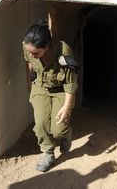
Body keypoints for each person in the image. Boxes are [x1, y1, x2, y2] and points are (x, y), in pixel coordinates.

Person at [22, 21, 78, 172]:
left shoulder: (63, 52)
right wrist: (30, 87)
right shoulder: (28, 46)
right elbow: (28, 63)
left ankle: (66, 135)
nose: (32, 54)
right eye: (29, 51)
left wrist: (67, 107)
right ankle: (48, 154)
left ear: (46, 47)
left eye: (36, 53)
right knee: (40, 124)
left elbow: (70, 83)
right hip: (40, 87)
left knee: (58, 129)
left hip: (61, 90)